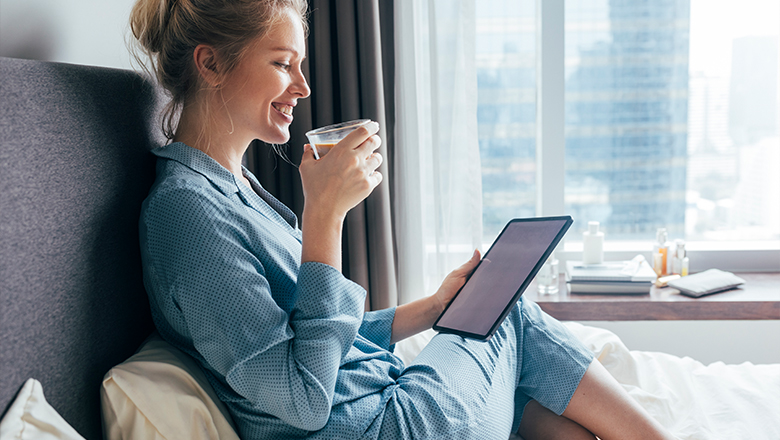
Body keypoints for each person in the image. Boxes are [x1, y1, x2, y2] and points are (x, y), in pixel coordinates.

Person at [130, 0, 675, 439]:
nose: (304, 86)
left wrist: (432, 309)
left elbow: (313, 338)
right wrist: (324, 216)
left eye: (300, 64)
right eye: (281, 63)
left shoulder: (235, 189)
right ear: (210, 64)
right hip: (375, 426)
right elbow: (302, 397)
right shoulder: (186, 213)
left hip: (382, 402)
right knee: (509, 312)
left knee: (539, 410)